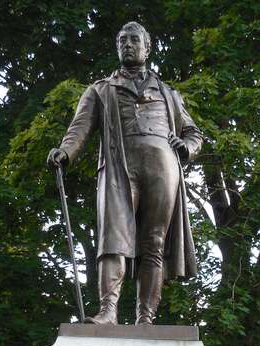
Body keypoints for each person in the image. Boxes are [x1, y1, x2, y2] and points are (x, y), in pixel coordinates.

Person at [47, 21, 202, 325]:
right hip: (119, 166)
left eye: (134, 39)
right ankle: (108, 311)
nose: (127, 45)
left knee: (154, 243)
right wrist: (66, 152)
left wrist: (185, 147)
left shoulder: (169, 93)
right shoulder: (101, 89)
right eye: (122, 41)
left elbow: (193, 132)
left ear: (147, 47)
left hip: (163, 167)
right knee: (112, 238)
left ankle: (146, 317)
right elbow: (80, 127)